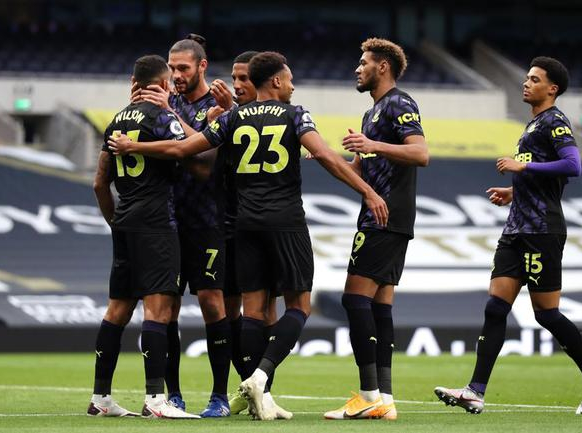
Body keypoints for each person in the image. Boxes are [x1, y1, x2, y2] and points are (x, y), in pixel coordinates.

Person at [107, 51, 389, 421]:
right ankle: (259, 377)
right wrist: (367, 191)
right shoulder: (295, 114)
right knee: (299, 306)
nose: (292, 86)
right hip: (285, 221)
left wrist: (134, 146)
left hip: (244, 224)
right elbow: (325, 156)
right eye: (289, 79)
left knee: (252, 311)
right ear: (276, 80)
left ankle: (260, 399)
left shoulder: (232, 117)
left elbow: (181, 148)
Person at [434, 56, 582, 415]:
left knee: (546, 314)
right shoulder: (532, 125)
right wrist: (513, 192)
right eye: (527, 77)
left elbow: (573, 165)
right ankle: (475, 391)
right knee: (495, 307)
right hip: (516, 229)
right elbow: (546, 181)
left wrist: (522, 165)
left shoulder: (555, 121)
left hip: (542, 230)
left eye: (534, 79)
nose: (526, 83)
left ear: (552, 89)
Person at [323, 38, 429, 421]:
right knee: (380, 306)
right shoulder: (372, 113)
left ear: (382, 67)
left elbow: (420, 153)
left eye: (364, 62)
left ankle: (368, 394)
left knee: (355, 299)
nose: (357, 68)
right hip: (387, 217)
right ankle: (384, 399)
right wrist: (327, 158)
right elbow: (361, 170)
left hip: (385, 216)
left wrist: (373, 144)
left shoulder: (399, 102)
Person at [87, 54, 198, 419]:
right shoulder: (163, 117)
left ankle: (101, 398)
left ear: (133, 83)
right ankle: (155, 399)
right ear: (162, 84)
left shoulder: (116, 121)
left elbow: (99, 183)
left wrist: (115, 221)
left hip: (125, 221)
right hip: (155, 222)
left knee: (117, 310)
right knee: (158, 310)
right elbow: (194, 149)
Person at [133, 35, 233, 417]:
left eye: (183, 68)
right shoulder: (166, 102)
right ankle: (172, 395)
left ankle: (219, 397)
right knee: (168, 309)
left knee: (211, 302)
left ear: (201, 67)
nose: (175, 75)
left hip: (207, 219)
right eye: (172, 68)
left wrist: (171, 119)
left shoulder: (217, 107)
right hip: (169, 221)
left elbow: (205, 164)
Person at [209, 51, 288, 418]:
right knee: (229, 310)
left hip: (257, 225)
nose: (238, 85)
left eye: (244, 78)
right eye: (235, 78)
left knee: (266, 309)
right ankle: (241, 387)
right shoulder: (224, 119)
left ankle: (261, 390)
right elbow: (201, 162)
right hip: (224, 226)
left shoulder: (258, 119)